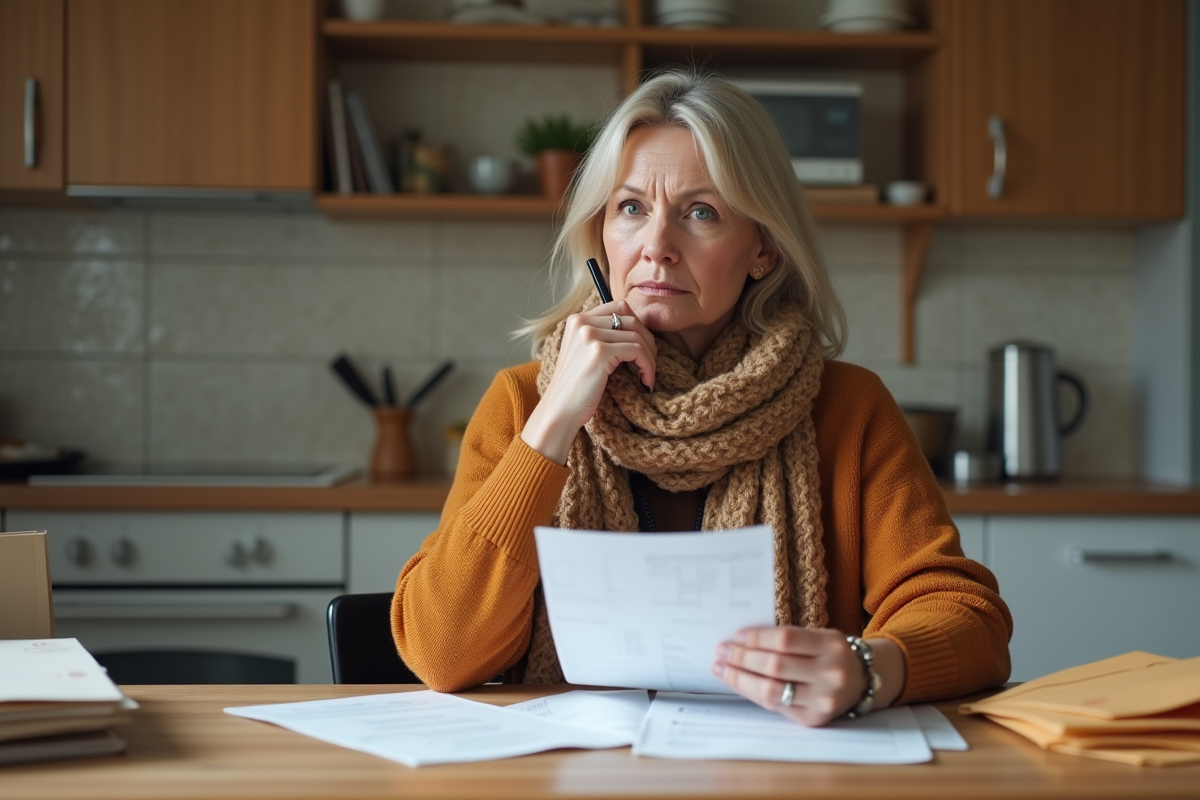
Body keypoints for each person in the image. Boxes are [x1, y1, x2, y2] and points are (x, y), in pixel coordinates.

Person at [391, 70, 1011, 727]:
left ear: (763, 249)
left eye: (700, 212)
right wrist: (554, 421)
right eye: (630, 208)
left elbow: (967, 620)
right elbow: (440, 651)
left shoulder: (849, 407)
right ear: (600, 232)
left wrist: (868, 668)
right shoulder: (523, 403)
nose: (656, 247)